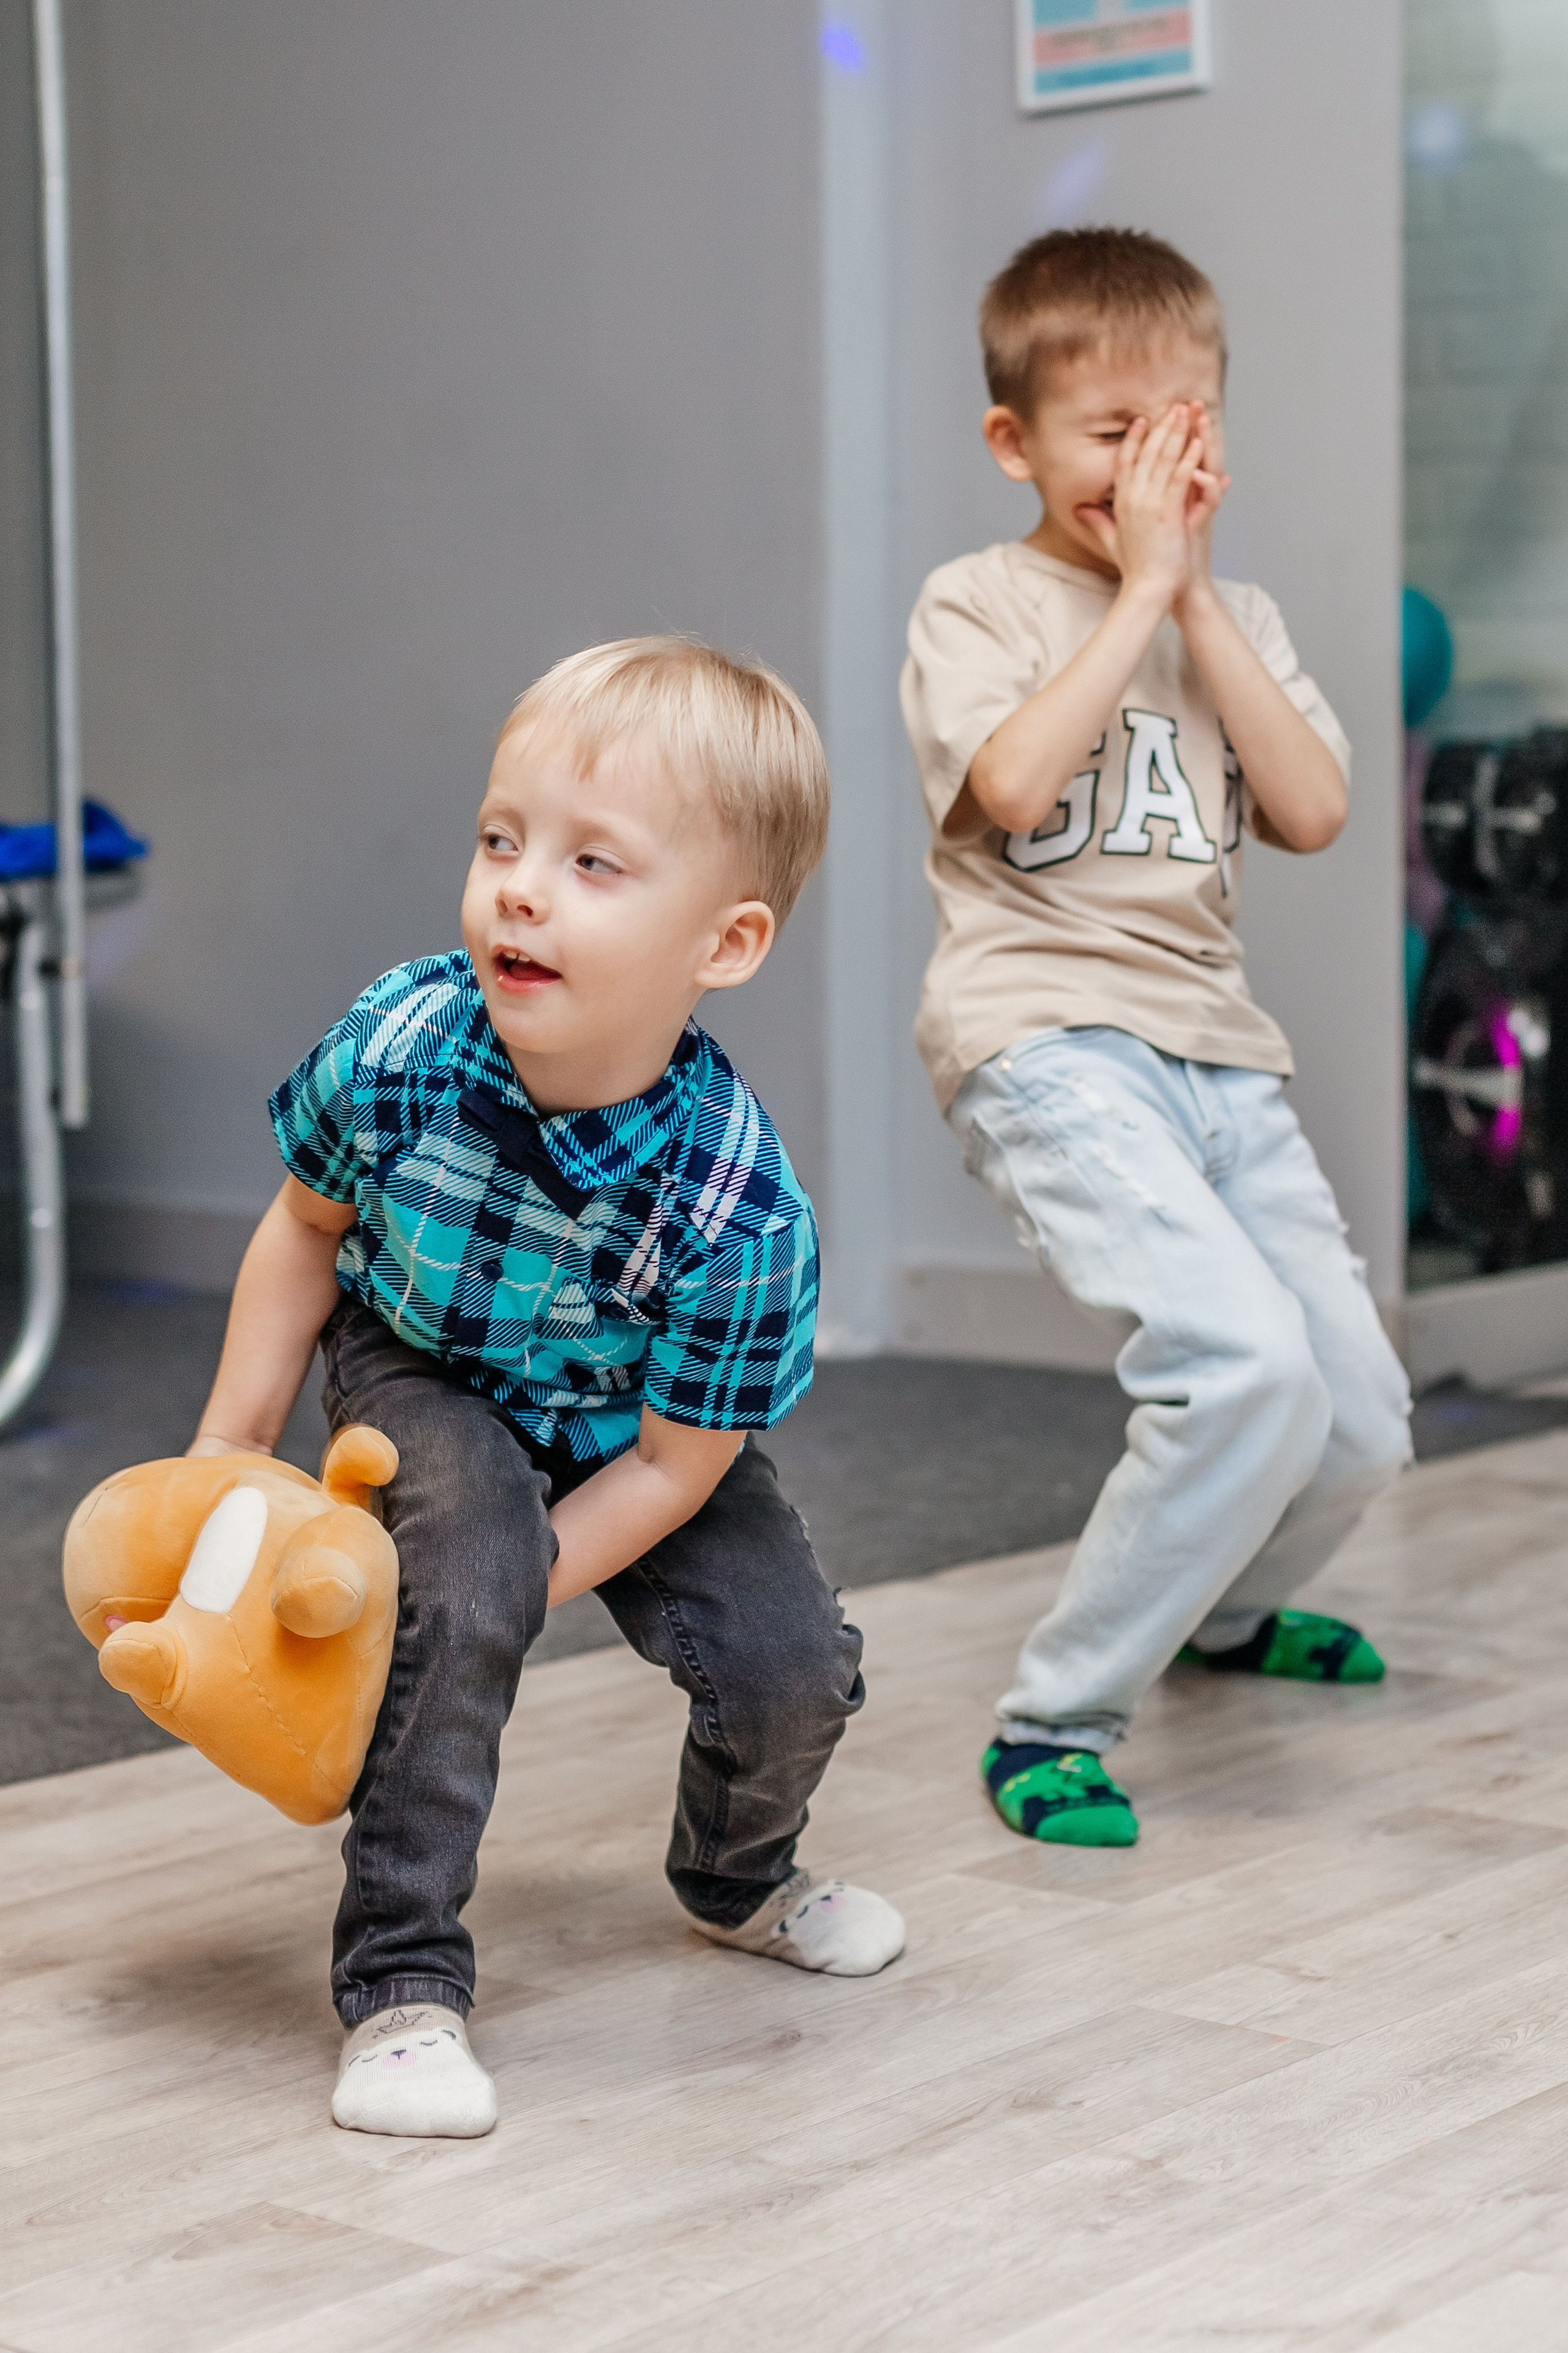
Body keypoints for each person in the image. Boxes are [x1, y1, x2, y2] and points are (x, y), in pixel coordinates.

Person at [190, 637, 904, 2138]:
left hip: (628, 1432)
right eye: (502, 839)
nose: (519, 886)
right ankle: (400, 1986)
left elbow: (677, 1466)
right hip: (420, 1358)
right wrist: (228, 1459)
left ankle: (735, 1878)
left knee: (791, 1664)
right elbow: (304, 1228)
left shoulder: (738, 1211)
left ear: (724, 943)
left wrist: (524, 1569)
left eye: (594, 863)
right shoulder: (399, 1042)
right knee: (456, 1589)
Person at [901, 229, 1411, 1851]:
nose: (1146, 465)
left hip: (1219, 1054)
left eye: (1178, 430)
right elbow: (1015, 792)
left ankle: (1224, 1612)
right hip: (1046, 1034)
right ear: (1018, 445)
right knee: (1237, 1366)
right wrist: (1131, 598)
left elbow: (1320, 809)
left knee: (1356, 1417)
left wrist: (1192, 601)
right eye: (1110, 435)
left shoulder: (1232, 612)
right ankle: (1055, 1714)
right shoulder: (975, 602)